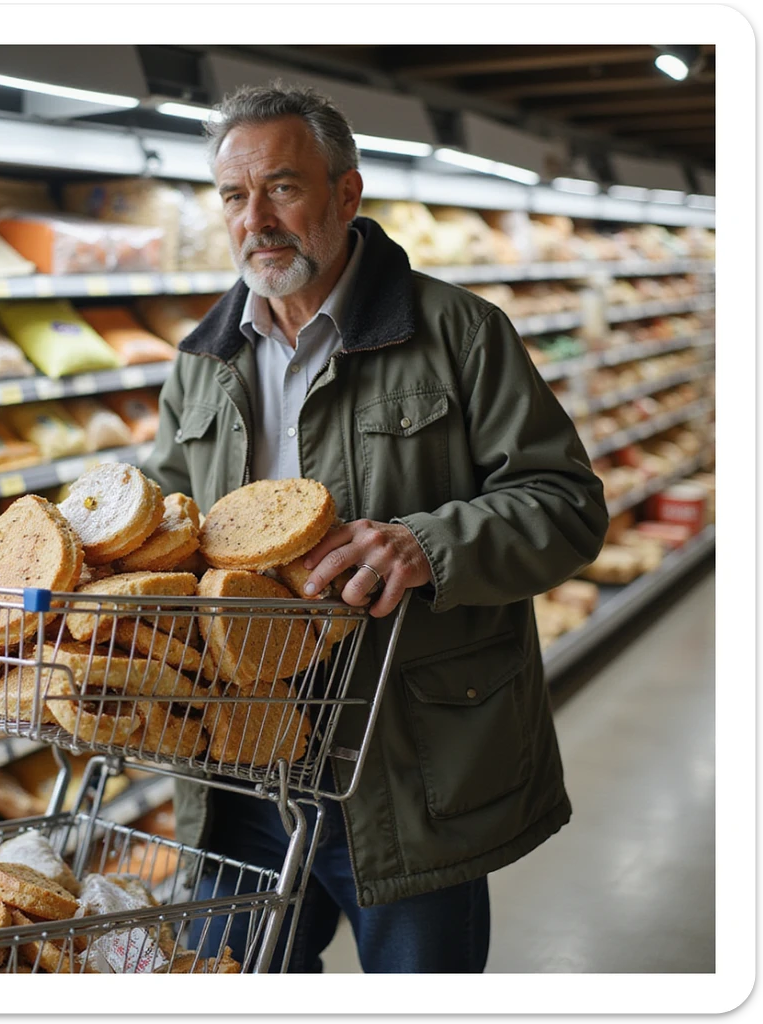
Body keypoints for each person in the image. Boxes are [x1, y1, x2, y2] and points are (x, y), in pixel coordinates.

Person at [140, 82, 609, 973]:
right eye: (234, 197)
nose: (256, 220)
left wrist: (426, 546)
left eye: (282, 187)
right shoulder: (199, 363)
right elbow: (173, 525)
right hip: (240, 761)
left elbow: (567, 504)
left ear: (346, 194)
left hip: (400, 762)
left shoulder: (460, 334)